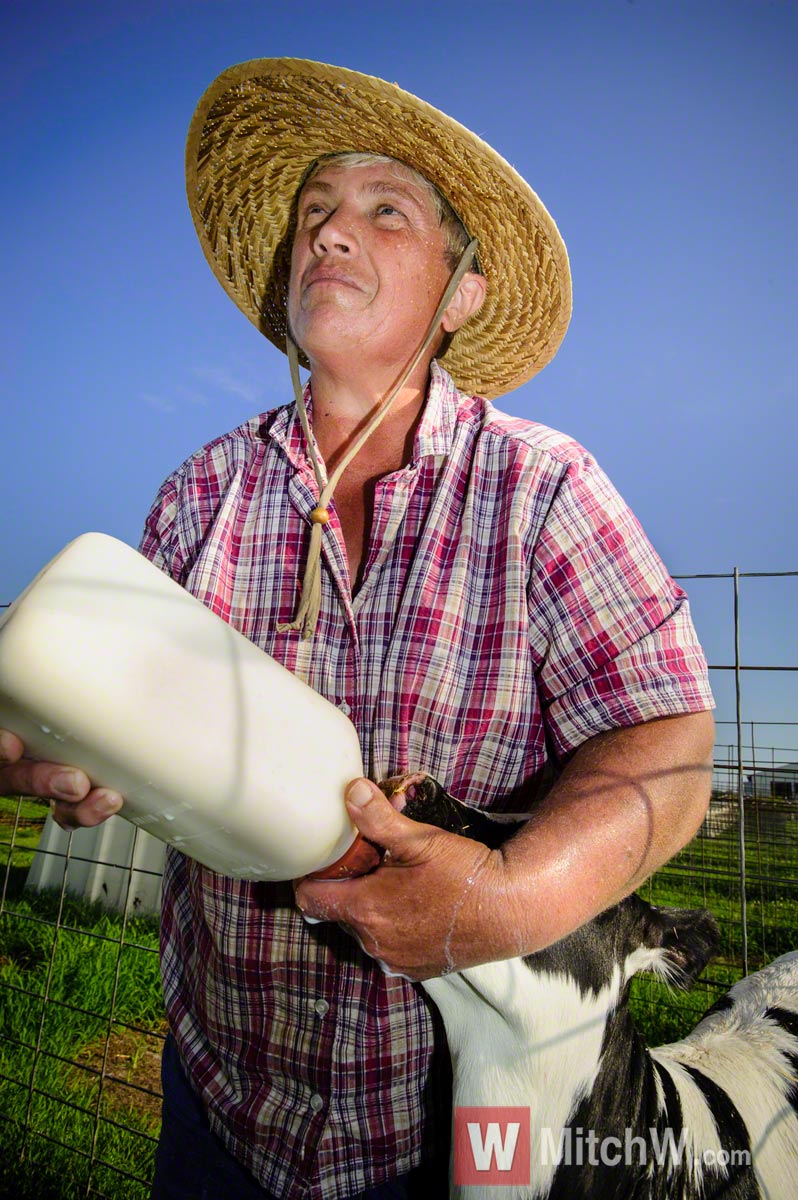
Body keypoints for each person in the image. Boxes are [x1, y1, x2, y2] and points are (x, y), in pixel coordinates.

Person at [0, 59, 715, 1199]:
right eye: (315, 213)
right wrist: (67, 754)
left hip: (459, 1129)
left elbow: (668, 748)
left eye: (387, 211)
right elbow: (131, 721)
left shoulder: (543, 489)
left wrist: (507, 900)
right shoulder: (201, 495)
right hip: (227, 1094)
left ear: (463, 290)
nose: (332, 232)